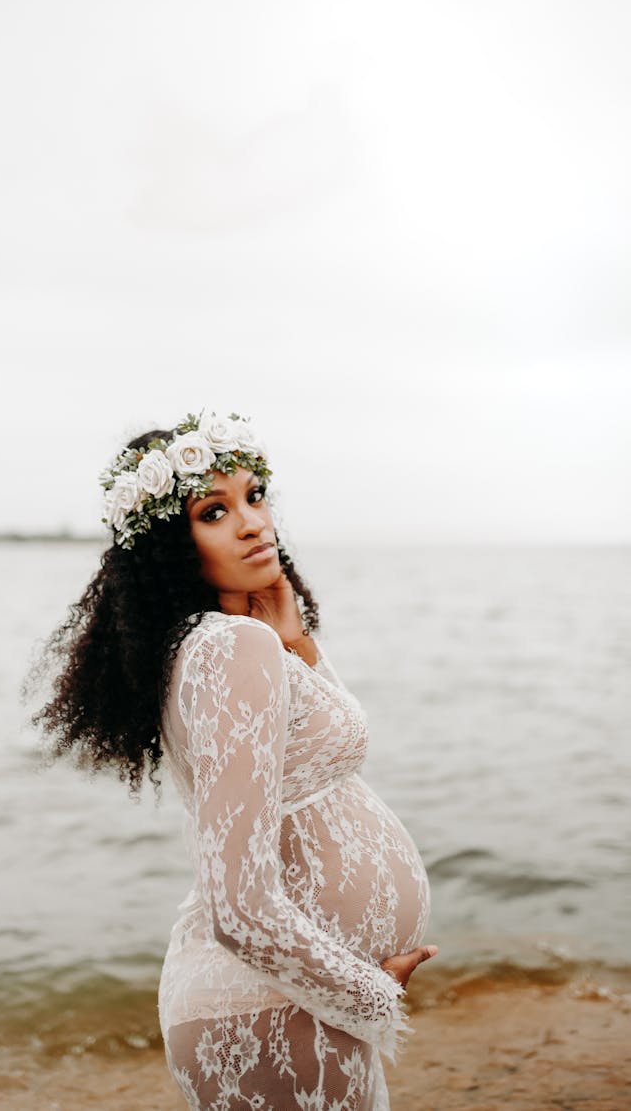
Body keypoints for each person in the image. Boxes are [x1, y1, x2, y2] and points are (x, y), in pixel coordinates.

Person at [29, 410, 437, 1110]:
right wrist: (373, 993)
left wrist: (296, 644)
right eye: (214, 511)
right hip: (268, 1004)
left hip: (285, 998)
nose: (252, 522)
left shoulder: (228, 644)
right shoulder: (226, 649)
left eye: (254, 495)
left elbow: (337, 751)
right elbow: (237, 907)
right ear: (169, 544)